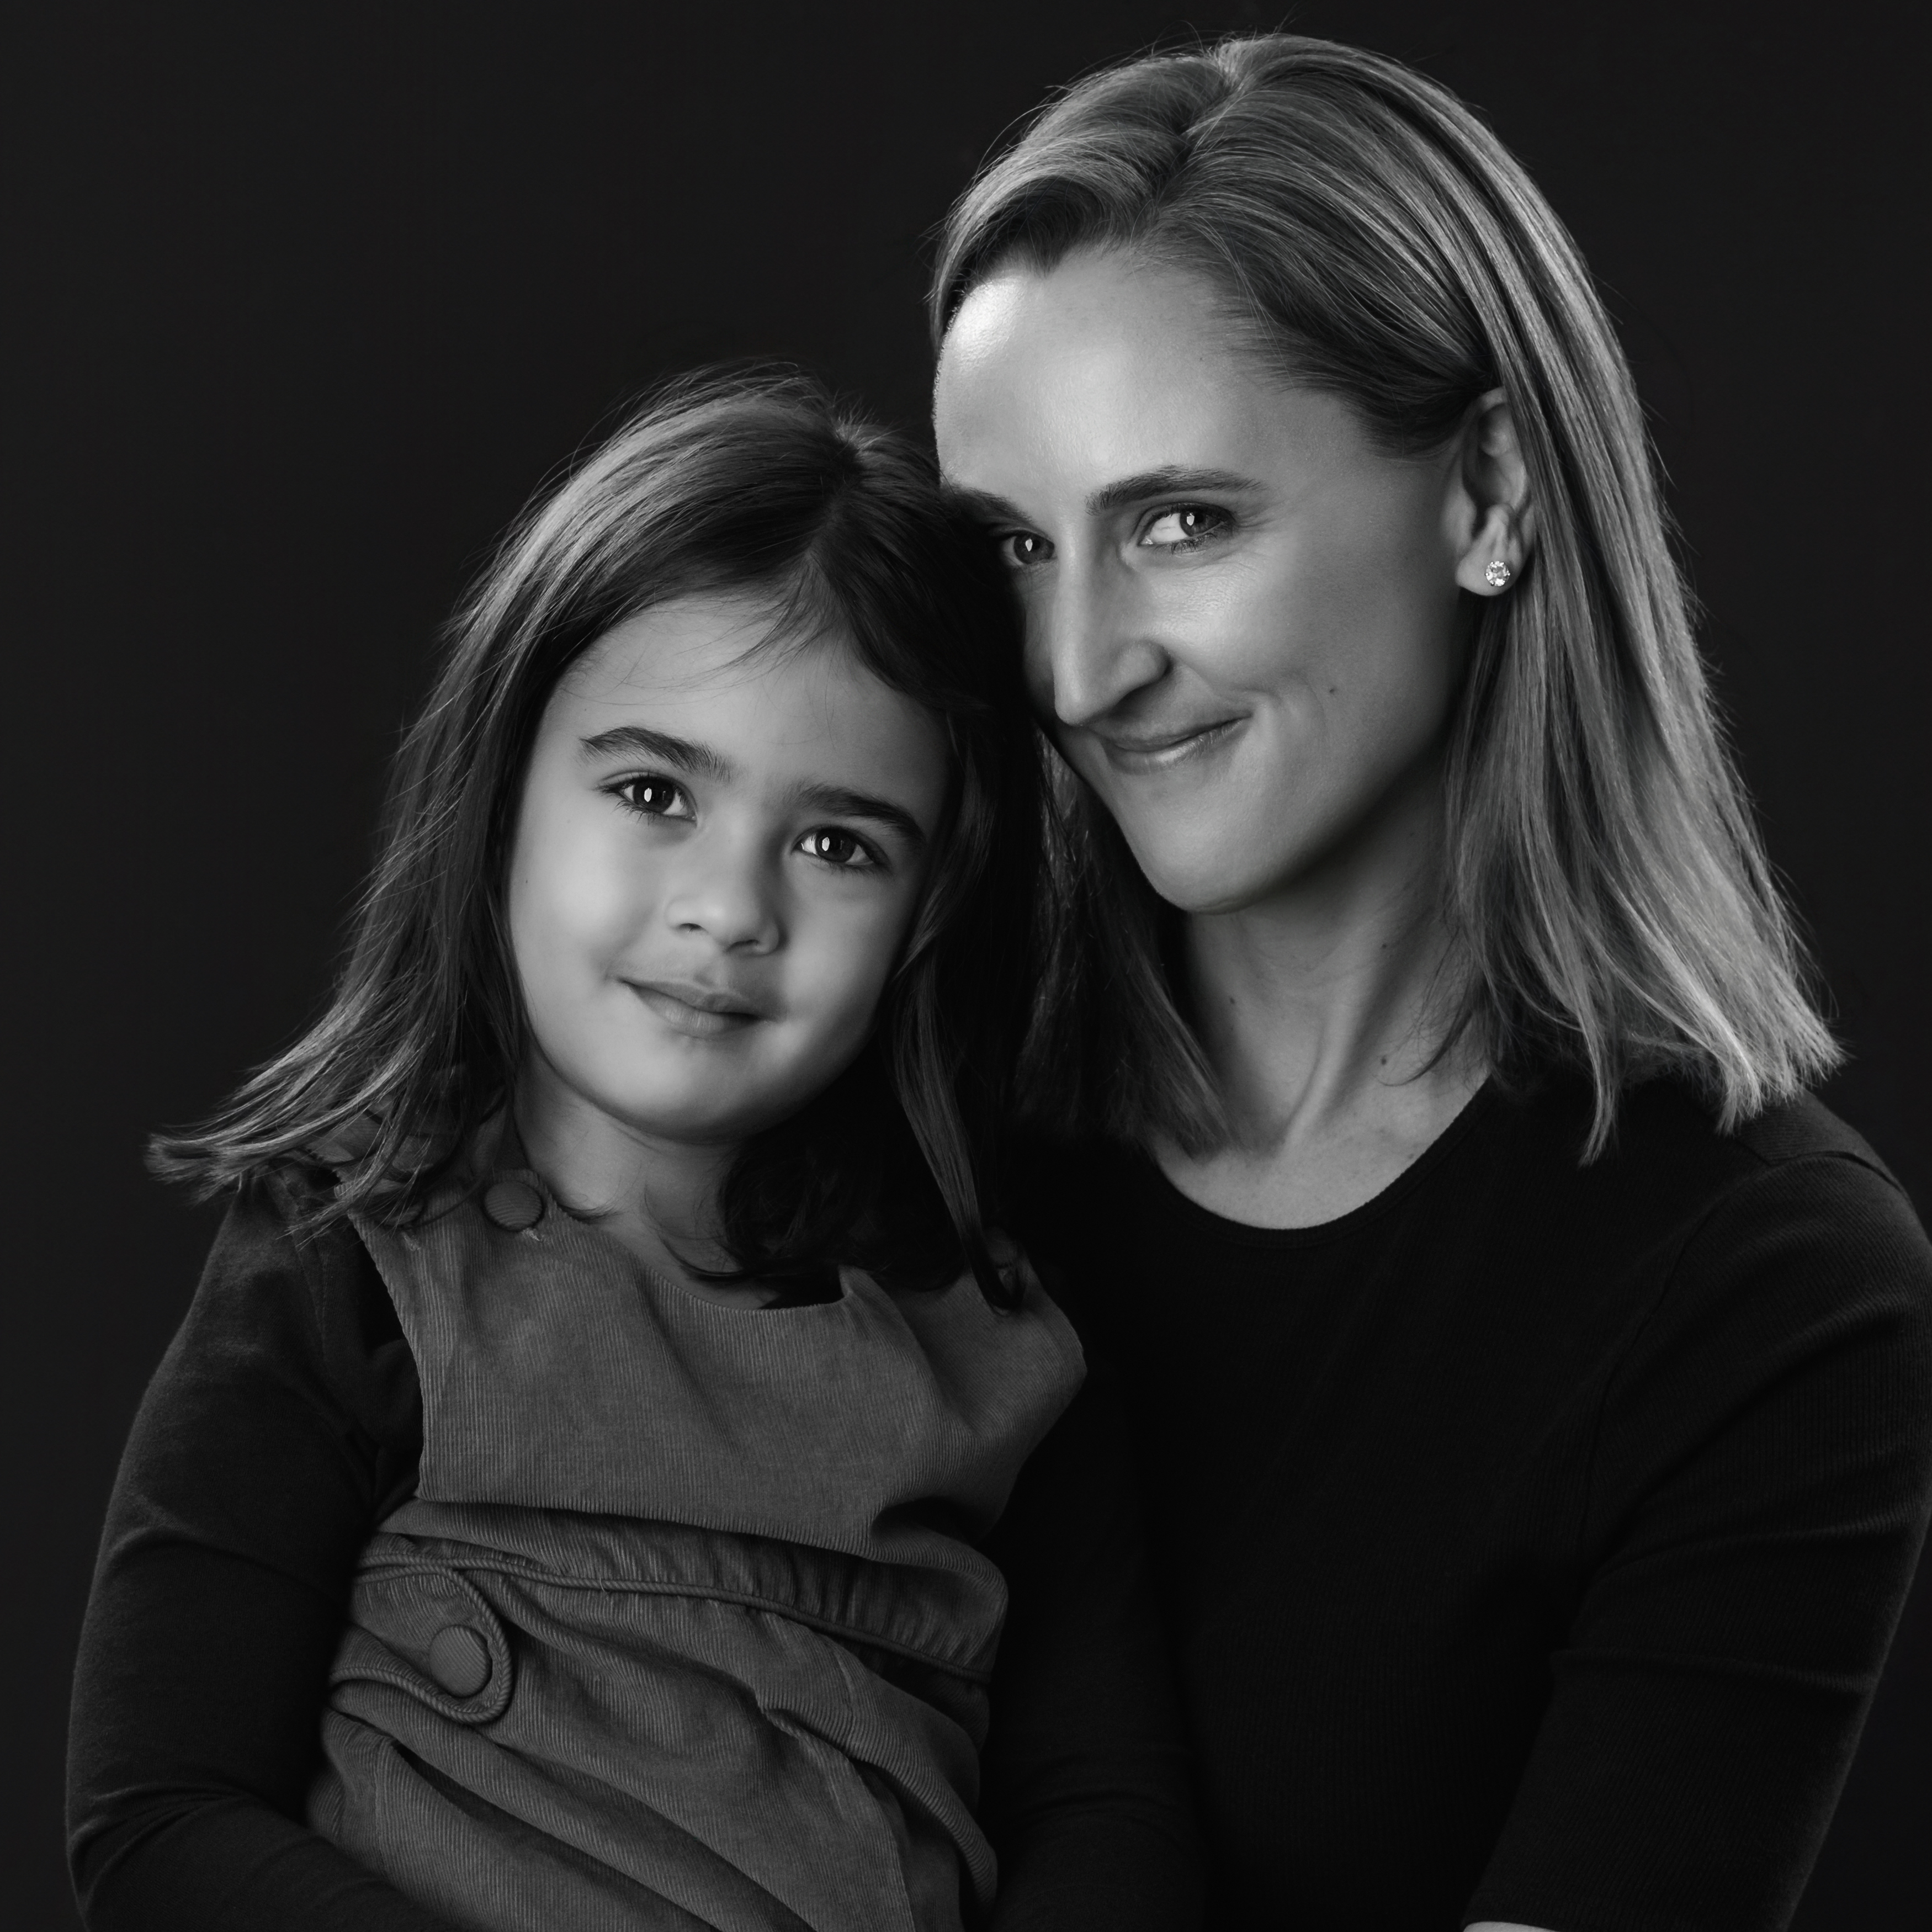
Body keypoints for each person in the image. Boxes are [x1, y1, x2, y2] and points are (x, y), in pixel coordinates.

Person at [930, 33, 1932, 1932]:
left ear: (1483, 490)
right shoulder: (895, 1119)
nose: (1071, 669)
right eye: (1006, 546)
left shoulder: (1762, 1292)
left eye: (1178, 522)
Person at [65, 370, 1201, 1931]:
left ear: (931, 904)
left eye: (835, 842)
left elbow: (1110, 1819)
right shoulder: (346, 1272)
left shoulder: (1008, 1355)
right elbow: (158, 1823)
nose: (732, 907)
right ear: (507, 783)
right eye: (655, 790)